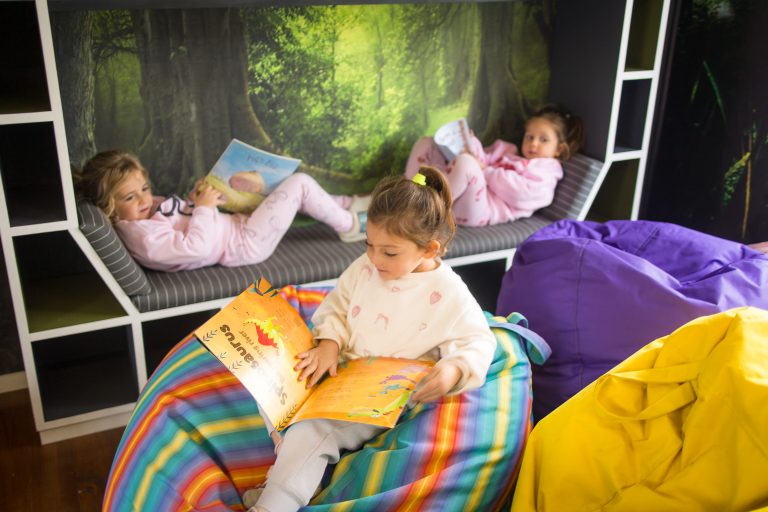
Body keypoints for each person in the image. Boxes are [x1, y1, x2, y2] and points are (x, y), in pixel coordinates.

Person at [244, 166, 497, 512]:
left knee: (310, 430)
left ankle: (273, 502)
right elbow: (337, 305)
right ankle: (292, 466)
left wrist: (454, 369)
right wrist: (329, 344)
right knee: (269, 382)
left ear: (429, 249)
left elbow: (478, 341)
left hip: (378, 397)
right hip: (338, 371)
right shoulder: (367, 265)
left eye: (389, 252)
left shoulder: (450, 293)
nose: (375, 258)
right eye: (369, 245)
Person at [73, 150, 369, 272]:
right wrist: (204, 209)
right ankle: (350, 225)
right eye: (130, 197)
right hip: (244, 244)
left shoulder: (140, 215)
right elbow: (196, 247)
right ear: (108, 206)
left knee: (281, 187)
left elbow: (180, 220)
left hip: (235, 225)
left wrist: (196, 200)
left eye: (145, 188)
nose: (144, 199)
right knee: (299, 184)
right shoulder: (144, 238)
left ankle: (345, 204)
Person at [404, 104, 586, 226]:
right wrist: (469, 143)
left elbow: (521, 194)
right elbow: (482, 159)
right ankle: (408, 196)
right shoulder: (509, 154)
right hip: (459, 195)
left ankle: (425, 210)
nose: (534, 143)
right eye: (530, 137)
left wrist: (485, 170)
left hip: (479, 212)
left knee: (467, 163)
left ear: (559, 149)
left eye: (543, 139)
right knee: (426, 143)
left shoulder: (547, 171)